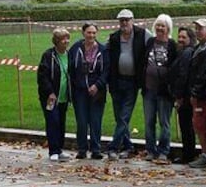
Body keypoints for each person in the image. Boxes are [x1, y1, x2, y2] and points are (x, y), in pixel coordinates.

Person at [106, 9, 150, 159]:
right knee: (119, 117)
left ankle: (112, 147)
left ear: (132, 20)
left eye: (127, 20)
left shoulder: (142, 34)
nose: (124, 23)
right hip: (116, 82)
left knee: (124, 116)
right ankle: (128, 146)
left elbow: (155, 44)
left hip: (132, 82)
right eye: (121, 20)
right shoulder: (114, 37)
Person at [69, 23, 108, 159]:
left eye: (93, 33)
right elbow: (71, 70)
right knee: (82, 120)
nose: (91, 35)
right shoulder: (75, 48)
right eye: (88, 33)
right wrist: (76, 85)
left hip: (97, 92)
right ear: (83, 33)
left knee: (95, 120)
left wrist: (97, 85)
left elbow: (106, 71)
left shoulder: (102, 50)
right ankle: (82, 149)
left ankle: (96, 149)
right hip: (80, 92)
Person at [143, 15, 177, 162]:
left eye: (163, 26)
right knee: (149, 121)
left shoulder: (172, 45)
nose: (160, 28)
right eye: (158, 25)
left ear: (168, 28)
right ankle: (150, 150)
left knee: (164, 122)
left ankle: (164, 150)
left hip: (164, 91)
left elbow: (175, 67)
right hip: (149, 89)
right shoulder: (150, 42)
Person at [37, 27, 73, 162]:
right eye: (63, 39)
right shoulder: (48, 56)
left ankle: (60, 149)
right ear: (56, 41)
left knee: (61, 122)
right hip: (50, 97)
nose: (66, 41)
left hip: (63, 95)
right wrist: (50, 92)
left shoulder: (69, 54)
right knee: (53, 121)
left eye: (67, 38)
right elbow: (42, 77)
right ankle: (53, 150)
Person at [188, 19, 206, 168]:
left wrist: (196, 92)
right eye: (196, 29)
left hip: (204, 94)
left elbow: (203, 74)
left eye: (201, 29)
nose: (198, 31)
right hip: (199, 92)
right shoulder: (199, 48)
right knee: (199, 124)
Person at [169, 26, 197, 164]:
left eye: (183, 37)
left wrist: (178, 96)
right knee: (185, 125)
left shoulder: (187, 53)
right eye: (179, 37)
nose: (180, 39)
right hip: (183, 94)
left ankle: (188, 154)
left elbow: (183, 74)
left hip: (184, 96)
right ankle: (188, 153)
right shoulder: (183, 52)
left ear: (190, 39)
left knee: (186, 125)